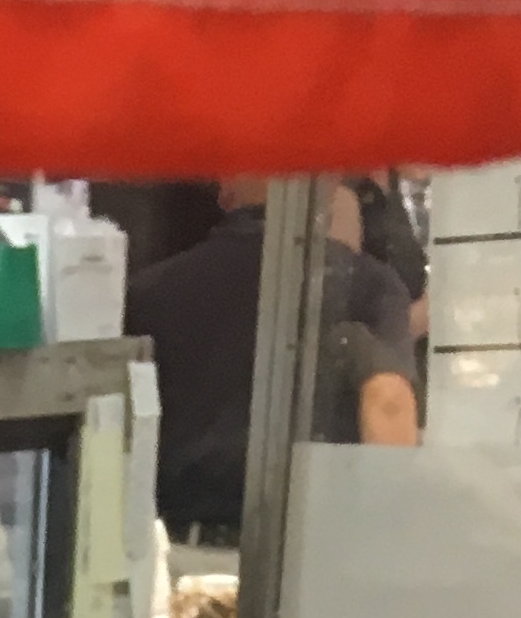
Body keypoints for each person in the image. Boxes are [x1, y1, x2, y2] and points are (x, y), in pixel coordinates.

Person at [126, 180, 418, 545]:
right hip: (310, 548)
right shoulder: (366, 286)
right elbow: (388, 400)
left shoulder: (149, 292)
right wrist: (393, 537)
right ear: (323, 190)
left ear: (226, 194)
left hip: (178, 545)